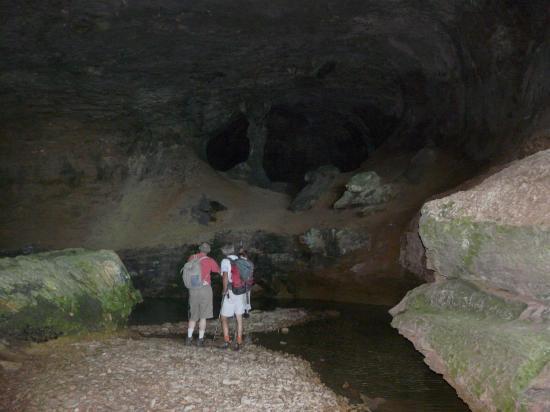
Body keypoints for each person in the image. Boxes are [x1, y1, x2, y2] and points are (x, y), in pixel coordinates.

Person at [185, 242, 220, 346]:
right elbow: (218, 271)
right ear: (208, 251)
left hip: (193, 289)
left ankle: (189, 338)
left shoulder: (192, 257)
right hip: (205, 289)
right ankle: (200, 340)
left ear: (199, 249)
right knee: (203, 316)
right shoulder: (210, 261)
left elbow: (188, 270)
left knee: (193, 315)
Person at [219, 244, 246, 350]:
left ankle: (227, 341)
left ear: (224, 252)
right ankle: (239, 342)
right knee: (239, 318)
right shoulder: (240, 259)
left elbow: (225, 276)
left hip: (231, 292)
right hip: (241, 291)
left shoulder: (225, 261)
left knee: (224, 317)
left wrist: (224, 290)